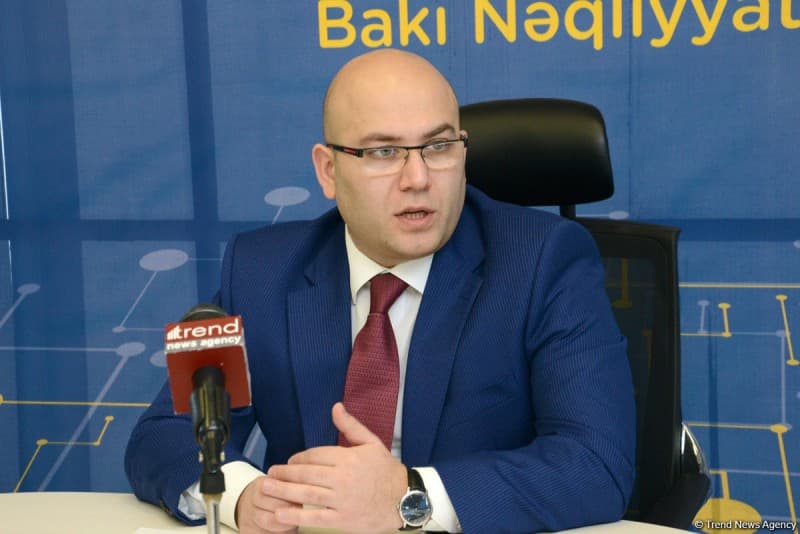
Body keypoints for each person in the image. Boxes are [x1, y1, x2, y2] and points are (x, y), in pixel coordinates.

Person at [125, 49, 636, 533]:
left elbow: (596, 463)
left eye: (438, 147)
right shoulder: (261, 270)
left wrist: (409, 496)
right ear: (329, 170)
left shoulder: (543, 261)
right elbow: (165, 433)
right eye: (383, 152)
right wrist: (245, 496)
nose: (418, 178)